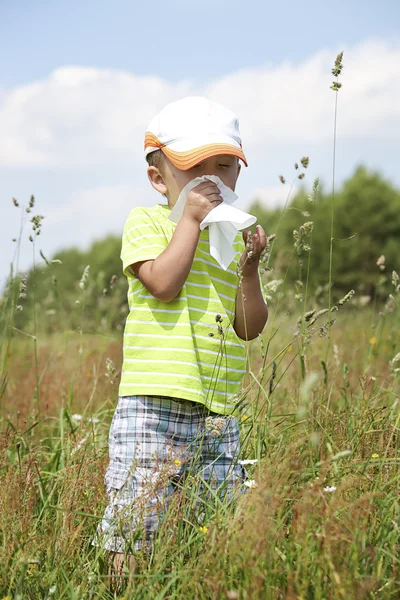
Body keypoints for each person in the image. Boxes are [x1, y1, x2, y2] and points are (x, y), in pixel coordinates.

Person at [97, 96, 268, 579]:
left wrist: (250, 271)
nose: (214, 179)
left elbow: (249, 327)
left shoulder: (232, 236)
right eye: (197, 167)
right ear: (159, 179)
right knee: (137, 520)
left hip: (217, 407)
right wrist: (190, 220)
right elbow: (163, 284)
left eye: (226, 166)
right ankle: (125, 588)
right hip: (154, 403)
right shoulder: (148, 222)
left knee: (219, 518)